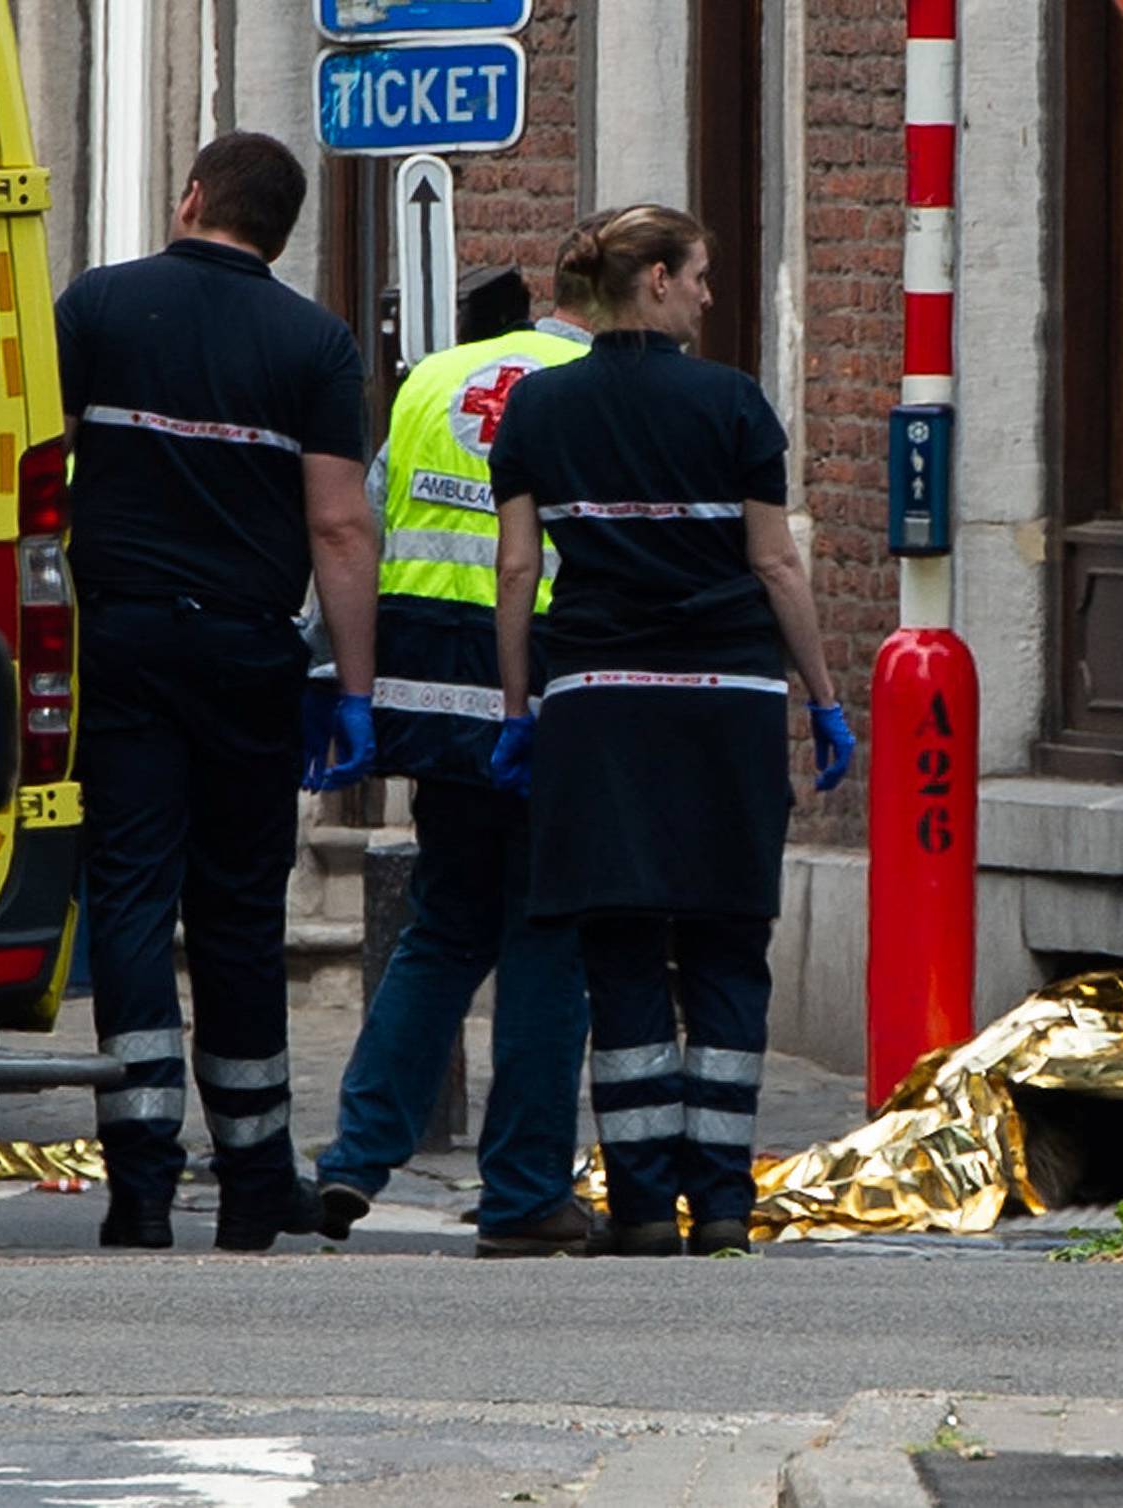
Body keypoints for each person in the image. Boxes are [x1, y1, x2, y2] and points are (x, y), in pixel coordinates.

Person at [486, 204, 857, 1257]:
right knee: (729, 947)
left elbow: (517, 571)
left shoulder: (540, 411)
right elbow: (776, 565)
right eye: (698, 275)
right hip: (724, 708)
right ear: (653, 279)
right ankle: (726, 1207)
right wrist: (822, 694)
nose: (706, 293)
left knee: (623, 953)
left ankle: (645, 1205)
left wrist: (519, 709)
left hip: (598, 706)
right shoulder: (733, 404)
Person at [56, 132, 379, 1250]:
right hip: (247, 652)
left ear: (192, 197)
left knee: (134, 890)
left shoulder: (97, 307)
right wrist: (353, 685)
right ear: (279, 232)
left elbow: (38, 472)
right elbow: (338, 522)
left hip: (125, 642)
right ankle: (251, 1182)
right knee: (240, 908)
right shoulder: (315, 342)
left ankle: (140, 1183)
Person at [313, 227, 603, 1257]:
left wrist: (339, 682)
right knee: (545, 938)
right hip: (545, 688)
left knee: (444, 926)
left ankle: (354, 1155)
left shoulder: (434, 376)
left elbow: (373, 522)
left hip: (431, 683)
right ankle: (525, 1188)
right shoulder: (601, 382)